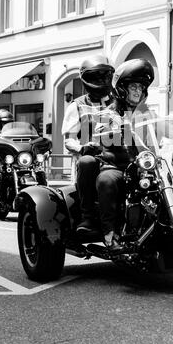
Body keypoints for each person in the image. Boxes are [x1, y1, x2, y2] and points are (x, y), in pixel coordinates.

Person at [93, 58, 156, 252]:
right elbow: (98, 132)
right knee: (107, 181)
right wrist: (112, 129)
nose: (138, 91)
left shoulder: (146, 113)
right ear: (122, 89)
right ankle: (110, 233)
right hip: (117, 166)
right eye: (134, 86)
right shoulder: (110, 112)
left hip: (144, 166)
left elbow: (163, 129)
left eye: (141, 87)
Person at [61, 55, 115, 232]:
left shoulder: (119, 101)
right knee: (87, 163)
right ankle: (88, 216)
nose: (101, 80)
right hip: (91, 160)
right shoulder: (76, 105)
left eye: (105, 76)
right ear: (86, 79)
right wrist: (81, 148)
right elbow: (68, 139)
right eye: (96, 76)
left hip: (116, 157)